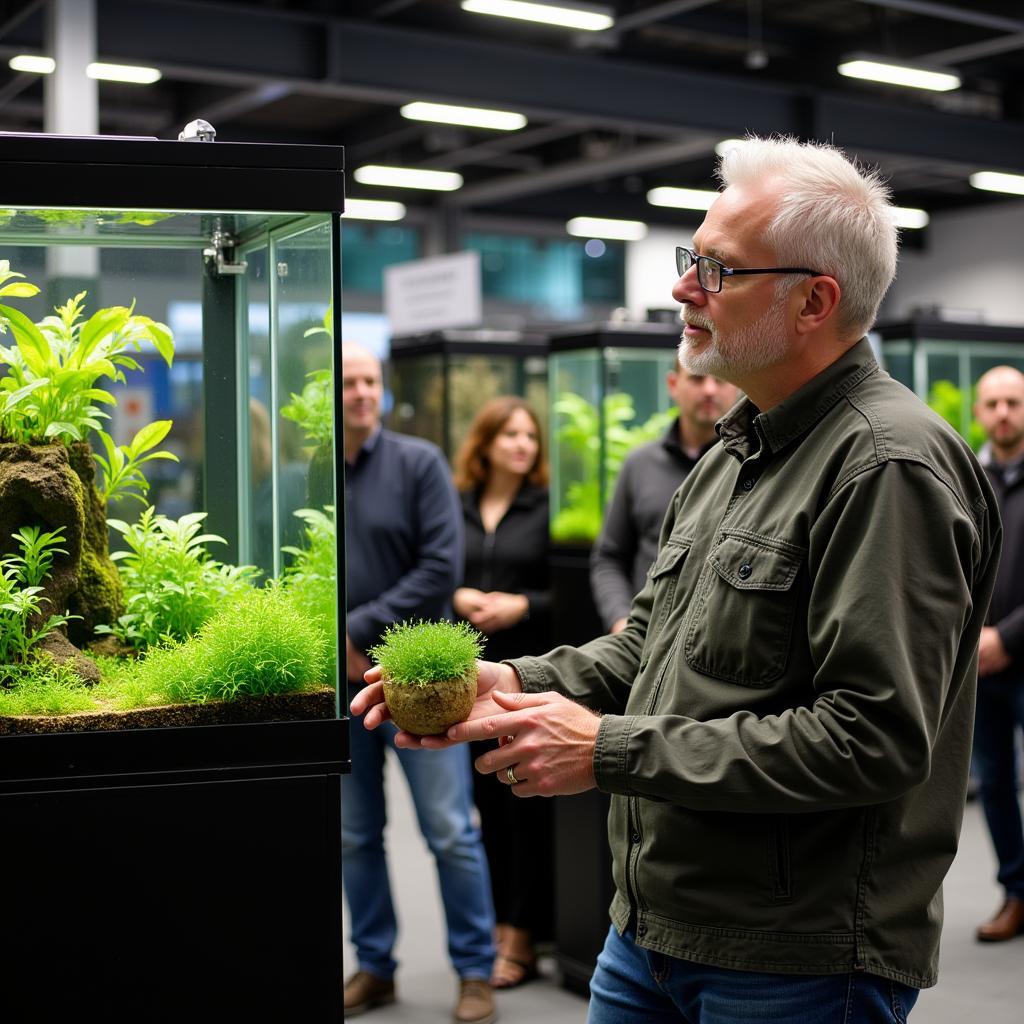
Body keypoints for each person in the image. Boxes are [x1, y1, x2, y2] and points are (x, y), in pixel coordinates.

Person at [353, 136, 1002, 1023]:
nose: (682, 288)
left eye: (718, 269)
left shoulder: (887, 465)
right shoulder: (736, 453)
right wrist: (515, 680)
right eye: (689, 259)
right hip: (652, 931)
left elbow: (873, 738)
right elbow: (652, 647)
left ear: (814, 300)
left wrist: (607, 750)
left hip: (789, 960)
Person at [340, 342, 498, 1024]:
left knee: (449, 830)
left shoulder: (418, 463)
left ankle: (475, 972)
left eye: (370, 380)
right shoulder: (308, 471)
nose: (362, 393)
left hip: (420, 681)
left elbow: (441, 565)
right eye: (349, 383)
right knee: (354, 833)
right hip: (339, 685)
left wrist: (358, 631)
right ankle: (375, 966)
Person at [452, 396, 553, 989]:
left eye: (529, 436)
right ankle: (498, 922)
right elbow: (439, 570)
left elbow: (567, 589)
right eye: (510, 434)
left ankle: (521, 934)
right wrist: (458, 597)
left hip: (529, 672)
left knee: (525, 810)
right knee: (485, 807)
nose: (522, 445)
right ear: (485, 443)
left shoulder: (545, 508)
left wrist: (523, 605)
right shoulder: (459, 505)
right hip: (467, 682)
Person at [590, 360, 737, 633]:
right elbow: (609, 557)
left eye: (720, 379)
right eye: (696, 378)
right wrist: (621, 621)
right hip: (643, 639)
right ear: (673, 384)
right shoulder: (639, 464)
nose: (709, 389)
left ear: (737, 386)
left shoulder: (749, 465)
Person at [971, 365, 1024, 943]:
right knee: (994, 783)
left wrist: (1006, 638)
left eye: (1013, 402)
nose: (1004, 413)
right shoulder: (969, 479)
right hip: (979, 668)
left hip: (1013, 652)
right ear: (981, 412)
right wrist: (976, 639)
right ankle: (1017, 891)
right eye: (994, 404)